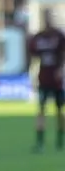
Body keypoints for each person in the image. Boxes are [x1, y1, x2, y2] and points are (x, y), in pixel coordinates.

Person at [28, 11, 65, 153]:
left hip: (57, 80)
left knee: (59, 111)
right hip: (43, 78)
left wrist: (61, 70)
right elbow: (33, 58)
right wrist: (32, 74)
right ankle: (40, 142)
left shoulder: (58, 36)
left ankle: (60, 141)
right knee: (41, 110)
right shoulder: (38, 38)